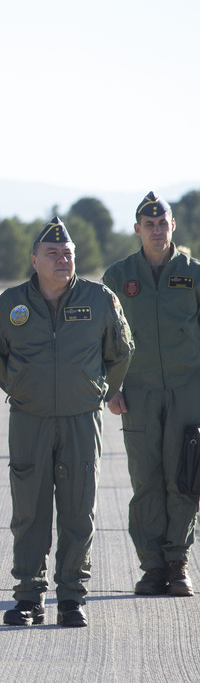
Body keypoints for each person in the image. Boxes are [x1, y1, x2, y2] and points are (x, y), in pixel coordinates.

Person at [0, 216, 133, 628]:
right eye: (52, 253)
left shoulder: (100, 299)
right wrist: (23, 390)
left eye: (68, 253)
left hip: (80, 419)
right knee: (29, 510)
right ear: (34, 259)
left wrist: (95, 391)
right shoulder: (11, 303)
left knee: (78, 509)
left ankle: (71, 598)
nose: (62, 259)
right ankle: (29, 597)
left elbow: (121, 352)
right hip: (29, 419)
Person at [102, 192, 200, 597]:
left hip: (188, 390)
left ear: (173, 226)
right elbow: (100, 338)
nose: (157, 230)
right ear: (137, 229)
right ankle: (151, 566)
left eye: (163, 224)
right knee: (146, 480)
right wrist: (111, 388)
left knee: (185, 477)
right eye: (149, 224)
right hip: (138, 392)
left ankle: (177, 562)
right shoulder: (117, 277)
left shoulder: (194, 275)